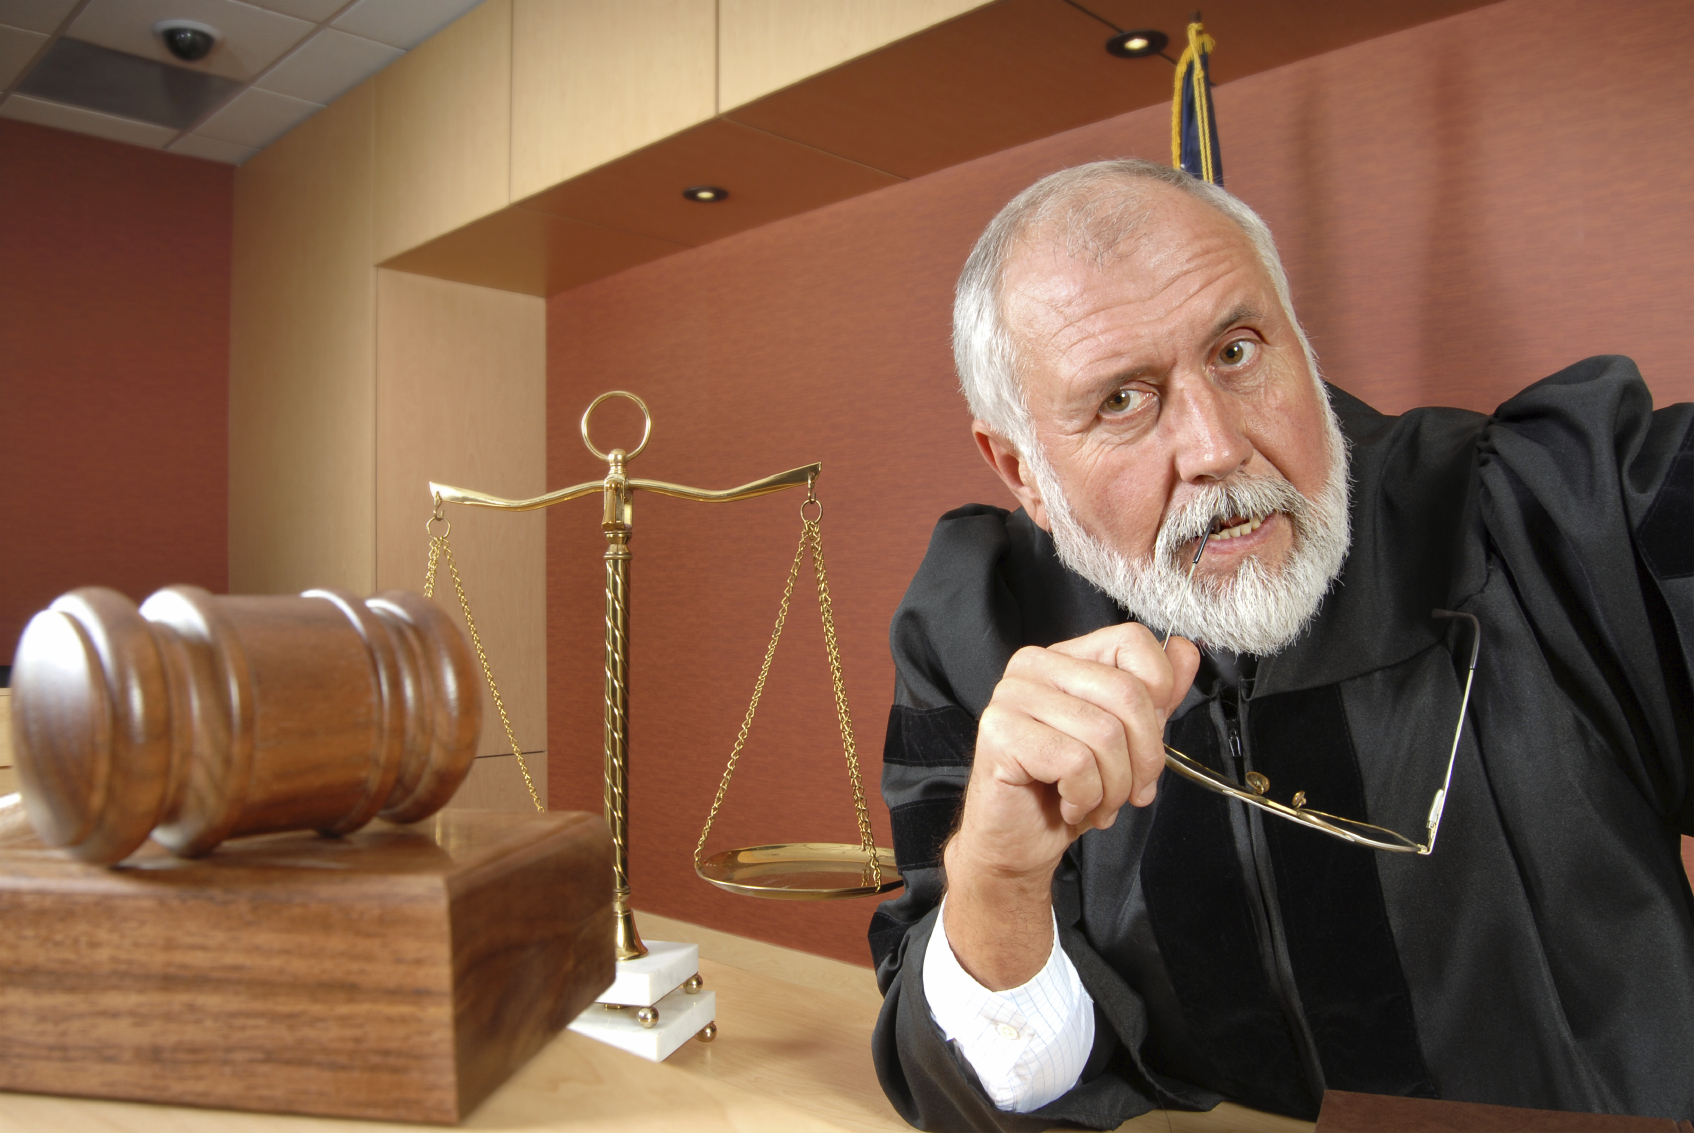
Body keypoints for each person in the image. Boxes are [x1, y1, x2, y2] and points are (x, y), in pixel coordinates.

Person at [868, 158, 1694, 1131]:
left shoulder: (1558, 511)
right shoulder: (978, 631)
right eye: (1122, 400)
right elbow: (955, 1083)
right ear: (1022, 470)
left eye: (1236, 350)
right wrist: (999, 885)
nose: (1216, 446)